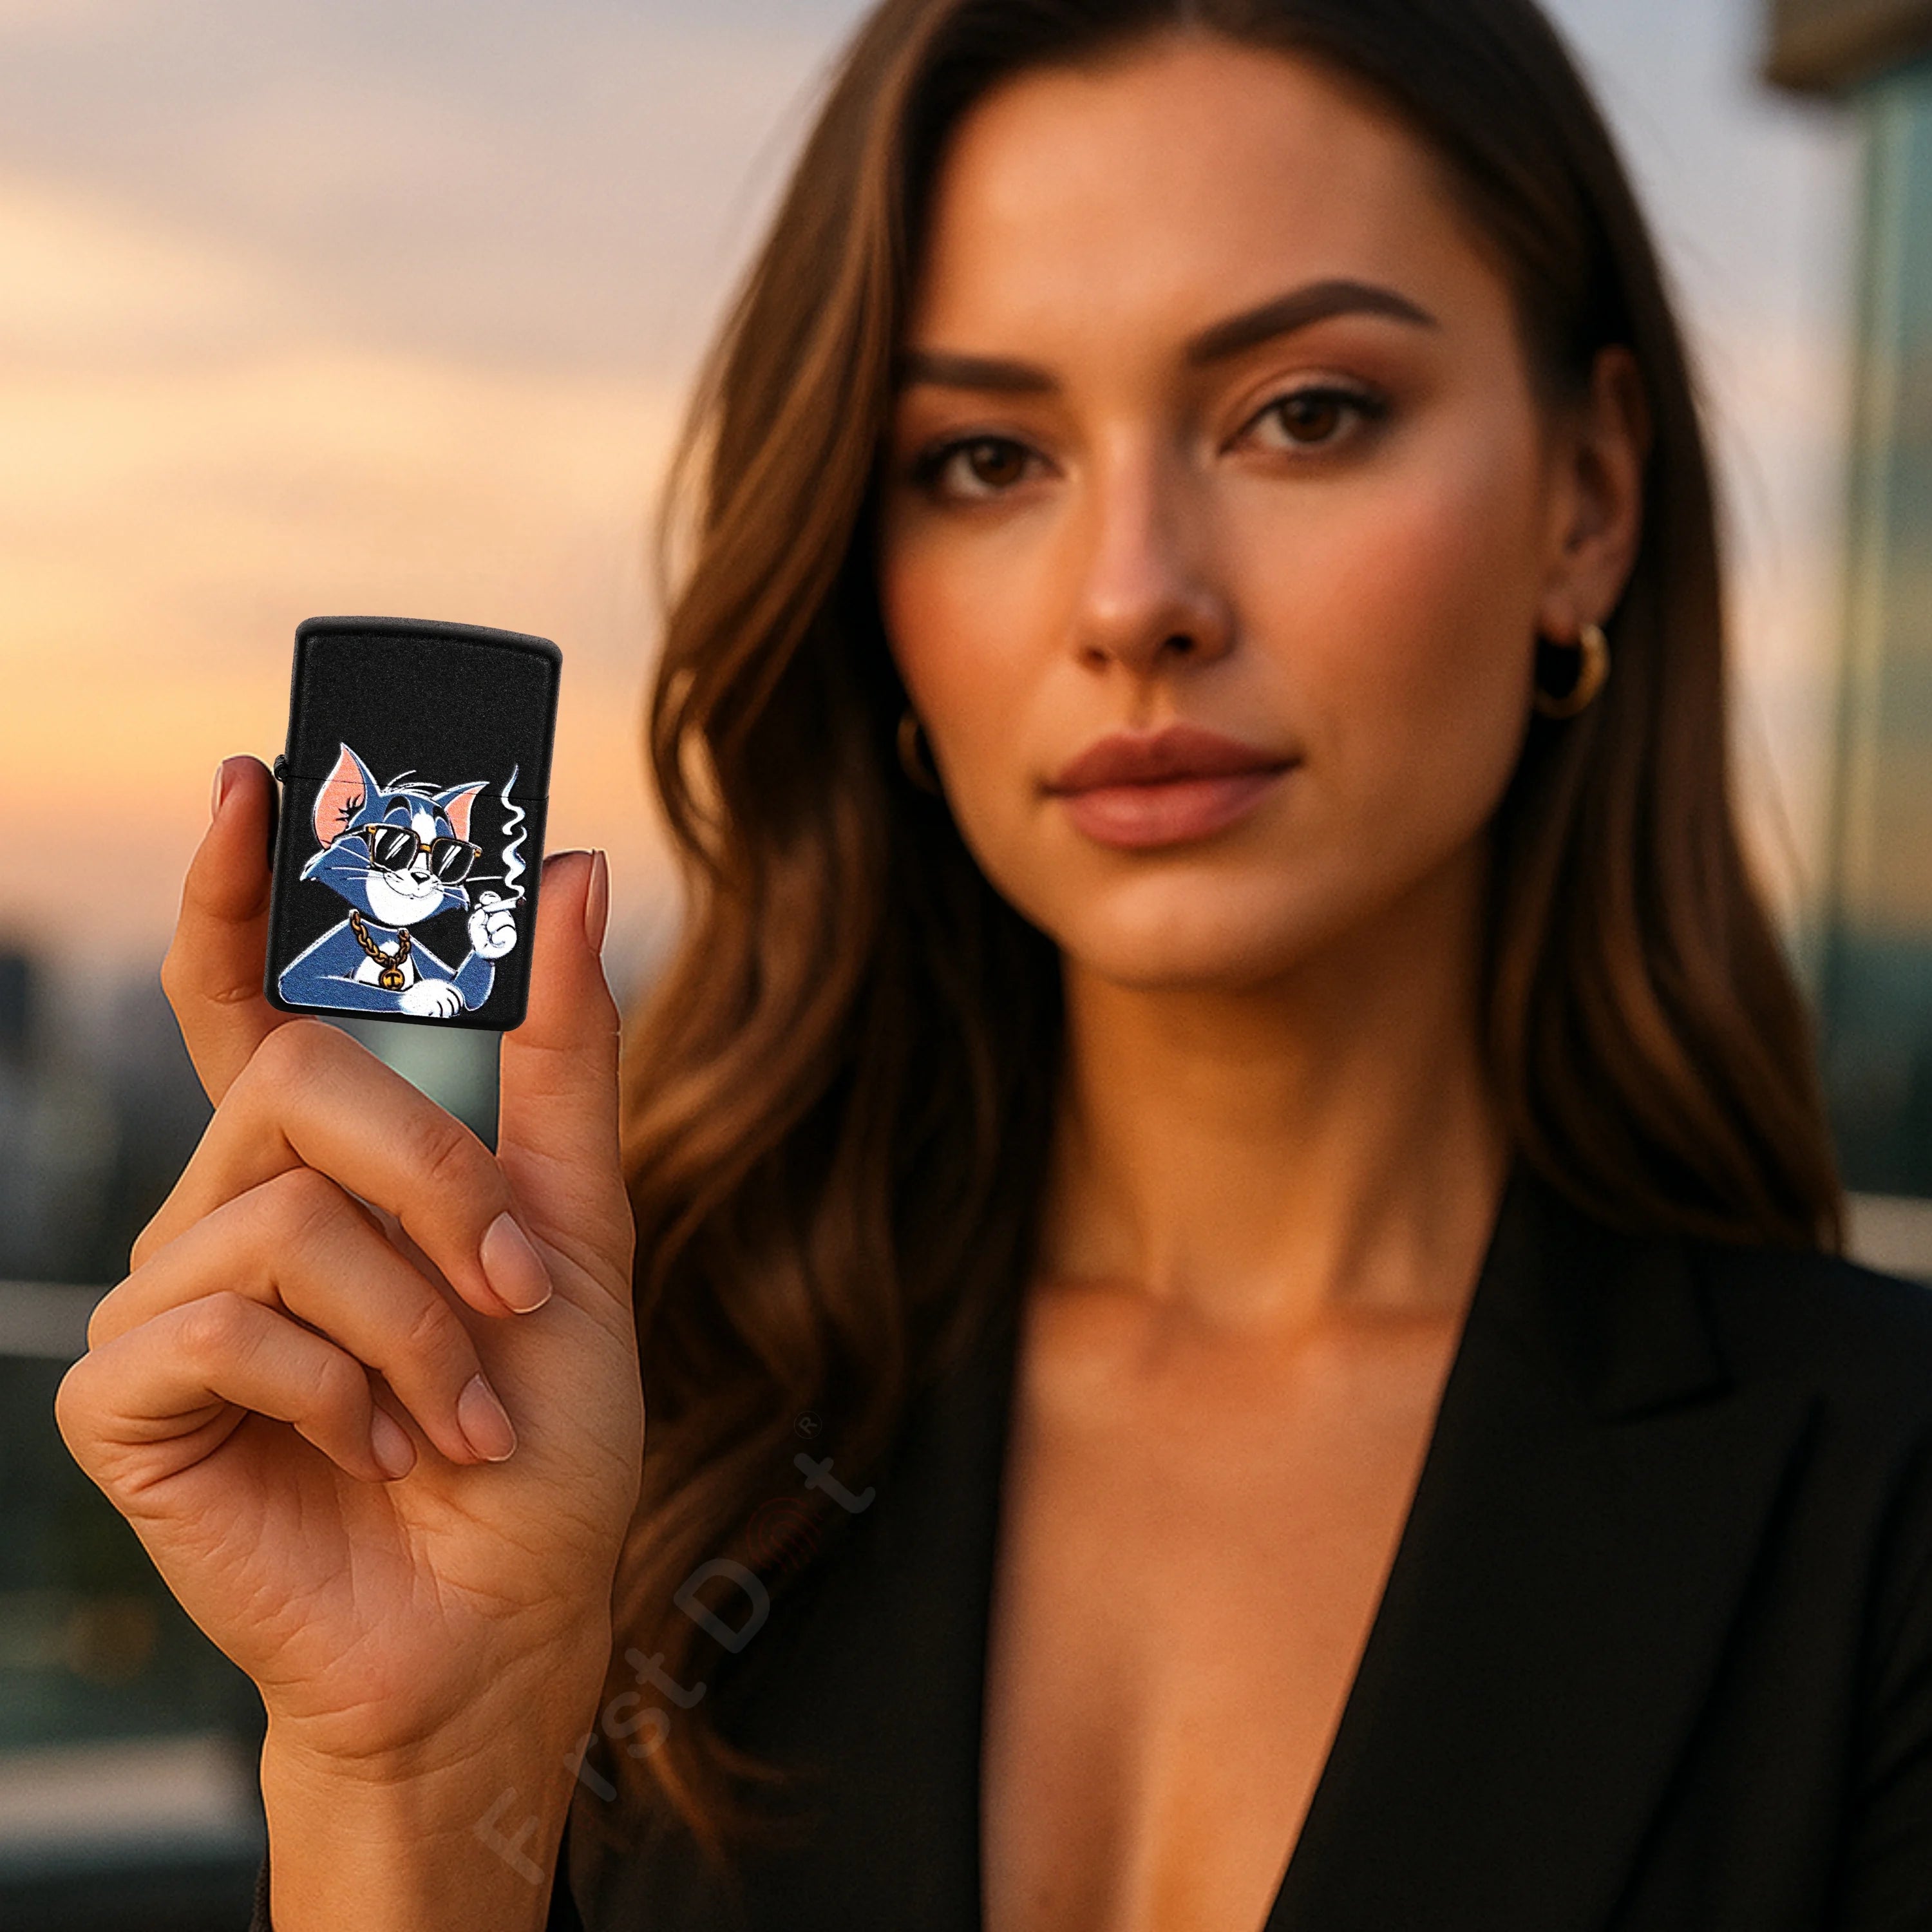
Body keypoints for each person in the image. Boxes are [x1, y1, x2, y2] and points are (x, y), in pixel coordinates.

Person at [54, 0, 1932, 1926]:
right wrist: (412, 1785)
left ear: (1591, 500)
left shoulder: (1882, 1516)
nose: (1134, 598)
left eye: (1306, 414)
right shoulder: (605, 1428)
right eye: (983, 456)